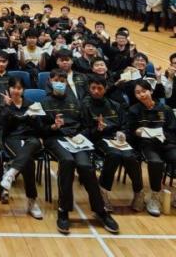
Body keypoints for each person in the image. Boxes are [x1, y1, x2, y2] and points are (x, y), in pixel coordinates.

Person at [41, 69, 119, 234]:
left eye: (63, 81)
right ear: (50, 81)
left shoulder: (76, 101)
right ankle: (63, 210)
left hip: (76, 139)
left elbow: (86, 126)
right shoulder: (44, 102)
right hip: (55, 138)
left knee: (85, 166)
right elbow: (41, 130)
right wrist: (54, 126)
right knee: (67, 162)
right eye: (56, 80)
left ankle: (100, 210)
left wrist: (92, 131)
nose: (59, 83)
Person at [81, 76, 144, 213]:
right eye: (93, 88)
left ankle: (139, 192)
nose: (96, 91)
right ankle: (103, 192)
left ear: (105, 89)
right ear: (89, 89)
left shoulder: (116, 105)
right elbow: (85, 131)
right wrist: (98, 129)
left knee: (130, 156)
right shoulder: (85, 106)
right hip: (99, 138)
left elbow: (125, 125)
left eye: (99, 88)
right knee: (114, 155)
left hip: (118, 139)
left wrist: (123, 134)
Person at [0, 76, 44, 219]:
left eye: (19, 88)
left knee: (35, 143)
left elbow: (40, 128)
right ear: (9, 88)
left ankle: (10, 173)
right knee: (28, 161)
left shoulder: (32, 104)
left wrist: (34, 119)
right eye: (13, 88)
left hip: (30, 138)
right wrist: (6, 107)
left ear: (23, 90)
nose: (16, 91)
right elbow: (1, 125)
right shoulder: (4, 105)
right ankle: (32, 201)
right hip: (12, 138)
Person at [127, 80, 176, 216]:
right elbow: (130, 130)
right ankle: (155, 197)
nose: (141, 94)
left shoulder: (165, 109)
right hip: (148, 144)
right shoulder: (134, 110)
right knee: (155, 162)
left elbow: (173, 130)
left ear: (151, 91)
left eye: (144, 91)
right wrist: (137, 132)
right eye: (138, 92)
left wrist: (163, 135)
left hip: (166, 143)